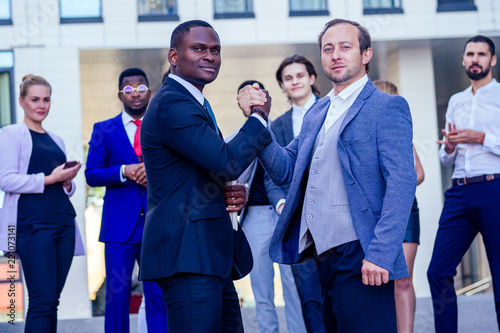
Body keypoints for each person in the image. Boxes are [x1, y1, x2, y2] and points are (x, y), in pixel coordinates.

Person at [238, 18, 416, 332]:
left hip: (363, 254)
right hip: (323, 255)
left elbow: (401, 184)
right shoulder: (317, 111)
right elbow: (286, 169)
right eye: (328, 48)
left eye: (345, 47)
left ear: (365, 55)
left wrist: (381, 253)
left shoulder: (387, 107)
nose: (335, 54)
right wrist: (258, 123)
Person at [139, 20, 272, 332]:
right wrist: (258, 117)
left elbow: (211, 169)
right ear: (174, 56)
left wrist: (231, 189)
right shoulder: (174, 103)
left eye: (215, 50)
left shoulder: (193, 101)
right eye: (198, 48)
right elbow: (226, 161)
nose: (210, 56)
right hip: (188, 255)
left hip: (208, 256)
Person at [0, 74, 85, 333]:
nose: (41, 105)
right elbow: (6, 180)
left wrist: (67, 182)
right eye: (35, 99)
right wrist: (50, 178)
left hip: (63, 224)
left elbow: (59, 185)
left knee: (52, 303)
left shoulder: (56, 139)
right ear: (21, 101)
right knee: (41, 301)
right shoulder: (11, 133)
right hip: (32, 226)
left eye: (46, 99)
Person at [85, 68, 167, 333]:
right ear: (120, 94)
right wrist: (124, 171)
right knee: (117, 298)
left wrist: (152, 172)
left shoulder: (162, 127)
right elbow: (92, 174)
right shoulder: (104, 129)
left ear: (149, 92)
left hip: (156, 223)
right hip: (119, 228)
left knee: (158, 295)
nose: (135, 94)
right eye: (128, 89)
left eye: (140, 88)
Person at [428, 35, 500, 332]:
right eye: (470, 54)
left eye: (481, 54)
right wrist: (447, 148)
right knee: (438, 271)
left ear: (492, 60)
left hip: (493, 187)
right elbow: (447, 159)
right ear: (463, 59)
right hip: (459, 190)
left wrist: (480, 137)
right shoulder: (456, 101)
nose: (475, 59)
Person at [229, 80, 306, 333]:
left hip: (286, 214)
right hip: (255, 218)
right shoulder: (237, 139)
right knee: (262, 290)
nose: (255, 100)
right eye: (248, 96)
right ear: (240, 102)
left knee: (293, 287)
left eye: (259, 94)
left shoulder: (283, 128)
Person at [269, 55, 326, 333]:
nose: (295, 82)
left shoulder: (333, 110)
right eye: (288, 78)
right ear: (282, 85)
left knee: (338, 289)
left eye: (300, 75)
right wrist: (281, 203)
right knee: (309, 296)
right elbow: (271, 172)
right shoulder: (277, 125)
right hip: (296, 220)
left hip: (332, 216)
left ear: (312, 78)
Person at [374, 80, 425, 333]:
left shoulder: (402, 134)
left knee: (402, 280)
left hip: (405, 212)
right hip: (374, 213)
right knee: (378, 280)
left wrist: (395, 182)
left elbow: (419, 174)